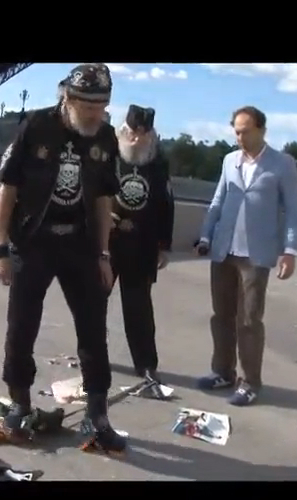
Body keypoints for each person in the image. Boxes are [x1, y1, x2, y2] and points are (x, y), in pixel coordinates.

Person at [0, 63, 126, 453]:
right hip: (33, 242)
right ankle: (20, 404)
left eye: (102, 107)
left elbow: (104, 200)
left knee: (93, 331)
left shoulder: (105, 137)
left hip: (81, 244)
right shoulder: (36, 126)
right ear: (68, 97)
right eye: (88, 108)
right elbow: (8, 189)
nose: (96, 115)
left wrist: (103, 254)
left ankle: (97, 416)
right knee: (21, 327)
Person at [194, 105, 297, 407]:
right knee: (221, 316)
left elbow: (294, 211)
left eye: (245, 132)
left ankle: (250, 382)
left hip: (255, 255)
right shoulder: (229, 160)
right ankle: (222, 372)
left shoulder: (282, 164)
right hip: (223, 250)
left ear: (261, 130)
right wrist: (206, 235)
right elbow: (218, 201)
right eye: (236, 132)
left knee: (249, 321)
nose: (240, 138)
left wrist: (290, 251)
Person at [109, 105, 174, 396]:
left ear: (151, 135)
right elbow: (92, 191)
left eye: (144, 134)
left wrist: (164, 245)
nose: (137, 139)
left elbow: (166, 205)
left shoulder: (158, 162)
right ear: (124, 131)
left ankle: (146, 364)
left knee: (139, 308)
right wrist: (107, 218)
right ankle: (92, 354)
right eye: (133, 133)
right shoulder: (109, 154)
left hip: (142, 244)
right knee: (94, 301)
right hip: (108, 241)